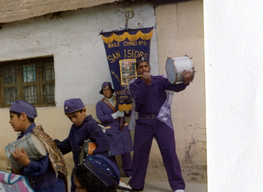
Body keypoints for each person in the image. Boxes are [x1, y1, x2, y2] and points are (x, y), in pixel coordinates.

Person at [127, 58, 193, 192]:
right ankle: (137, 185)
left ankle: (178, 186)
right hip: (143, 123)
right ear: (137, 71)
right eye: (140, 67)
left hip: (162, 122)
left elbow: (175, 87)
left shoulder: (160, 80)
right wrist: (146, 84)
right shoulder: (134, 84)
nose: (144, 69)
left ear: (150, 68)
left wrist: (186, 82)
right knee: (140, 154)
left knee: (169, 153)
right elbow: (140, 104)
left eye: (146, 66)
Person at [8, 100, 67, 192]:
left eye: (12, 117)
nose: (9, 121)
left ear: (23, 116)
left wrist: (26, 162)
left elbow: (43, 166)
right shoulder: (22, 138)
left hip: (48, 189)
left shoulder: (38, 138)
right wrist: (16, 169)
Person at [54, 98, 111, 166]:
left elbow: (104, 145)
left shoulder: (92, 125)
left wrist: (92, 162)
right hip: (79, 169)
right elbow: (68, 145)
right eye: (70, 118)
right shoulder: (74, 127)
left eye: (75, 116)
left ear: (84, 110)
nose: (73, 120)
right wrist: (51, 146)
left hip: (90, 170)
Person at [95, 82, 133, 177]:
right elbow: (101, 118)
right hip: (110, 130)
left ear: (112, 90)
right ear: (102, 92)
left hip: (122, 129)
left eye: (108, 89)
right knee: (111, 152)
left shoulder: (120, 99)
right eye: (104, 90)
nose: (106, 91)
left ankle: (129, 172)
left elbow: (128, 114)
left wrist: (127, 108)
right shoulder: (100, 104)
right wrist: (115, 115)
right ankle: (115, 173)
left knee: (126, 151)